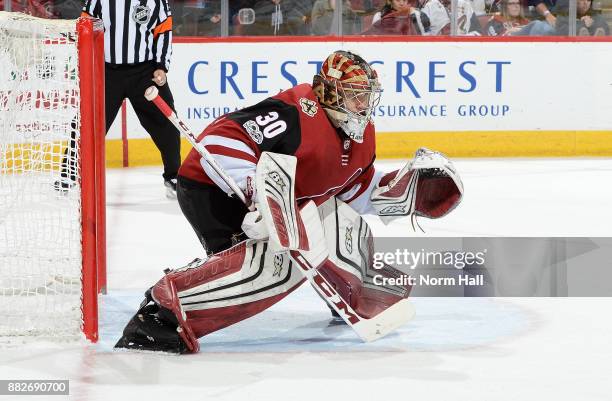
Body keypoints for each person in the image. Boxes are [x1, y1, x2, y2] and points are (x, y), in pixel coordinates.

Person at [114, 50, 463, 353]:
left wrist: (398, 193)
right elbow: (218, 145)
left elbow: (352, 189)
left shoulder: (360, 133)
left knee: (345, 224)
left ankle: (347, 289)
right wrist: (256, 193)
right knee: (272, 267)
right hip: (213, 192)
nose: (364, 105)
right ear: (328, 92)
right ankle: (162, 315)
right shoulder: (294, 113)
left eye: (367, 96)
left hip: (276, 200)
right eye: (355, 95)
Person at [57, 0, 181, 198]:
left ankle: (174, 176)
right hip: (107, 73)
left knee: (166, 122)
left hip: (145, 72)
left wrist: (161, 66)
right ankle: (69, 174)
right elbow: (86, 28)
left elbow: (164, 31)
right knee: (87, 122)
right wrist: (88, 62)